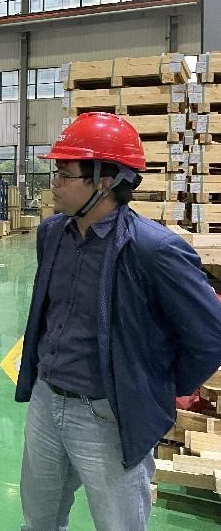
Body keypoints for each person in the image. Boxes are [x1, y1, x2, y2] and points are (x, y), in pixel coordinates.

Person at [16, 112, 221, 531]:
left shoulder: (154, 250)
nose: (54, 182)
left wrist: (151, 386)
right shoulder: (52, 234)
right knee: (38, 520)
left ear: (105, 182)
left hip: (107, 415)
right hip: (47, 402)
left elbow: (210, 336)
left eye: (65, 173)